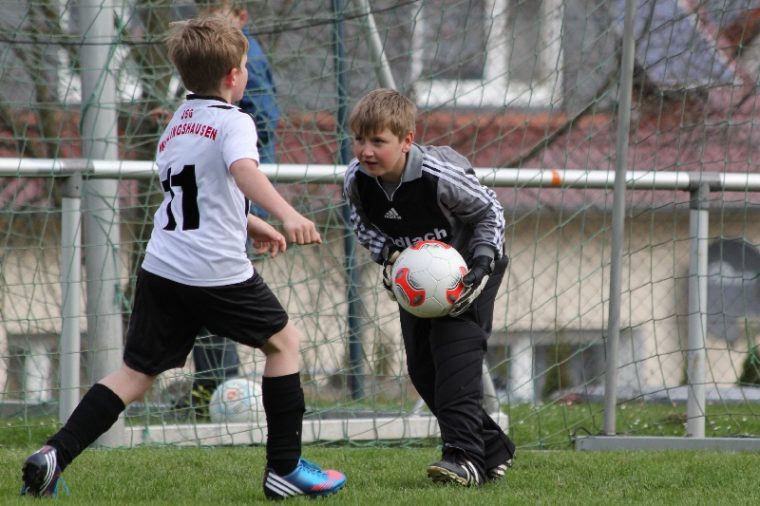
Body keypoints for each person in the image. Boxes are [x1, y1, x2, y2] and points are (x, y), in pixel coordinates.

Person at [20, 16, 346, 500]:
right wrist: (288, 213)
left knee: (135, 374)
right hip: (213, 270)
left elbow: (192, 190)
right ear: (236, 74)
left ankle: (54, 454)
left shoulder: (179, 119)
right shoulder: (235, 120)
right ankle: (284, 469)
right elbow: (241, 172)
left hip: (163, 266)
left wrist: (251, 223)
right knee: (283, 344)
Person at [343, 88, 516, 487]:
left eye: (378, 142)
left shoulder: (438, 176)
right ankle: (493, 448)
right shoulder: (356, 179)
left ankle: (464, 458)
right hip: (418, 280)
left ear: (406, 141)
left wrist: (483, 260)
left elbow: (489, 209)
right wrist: (388, 255)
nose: (366, 151)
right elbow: (361, 223)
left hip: (470, 271)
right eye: (359, 140)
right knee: (423, 370)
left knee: (454, 357)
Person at [183, 0, 284, 412]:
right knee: (199, 300)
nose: (206, 17)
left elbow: (258, 128)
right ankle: (208, 386)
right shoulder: (208, 73)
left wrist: (264, 212)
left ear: (241, 18)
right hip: (207, 206)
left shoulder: (247, 60)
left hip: (232, 200)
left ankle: (219, 389)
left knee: (221, 298)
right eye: (201, 9)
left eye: (217, 11)